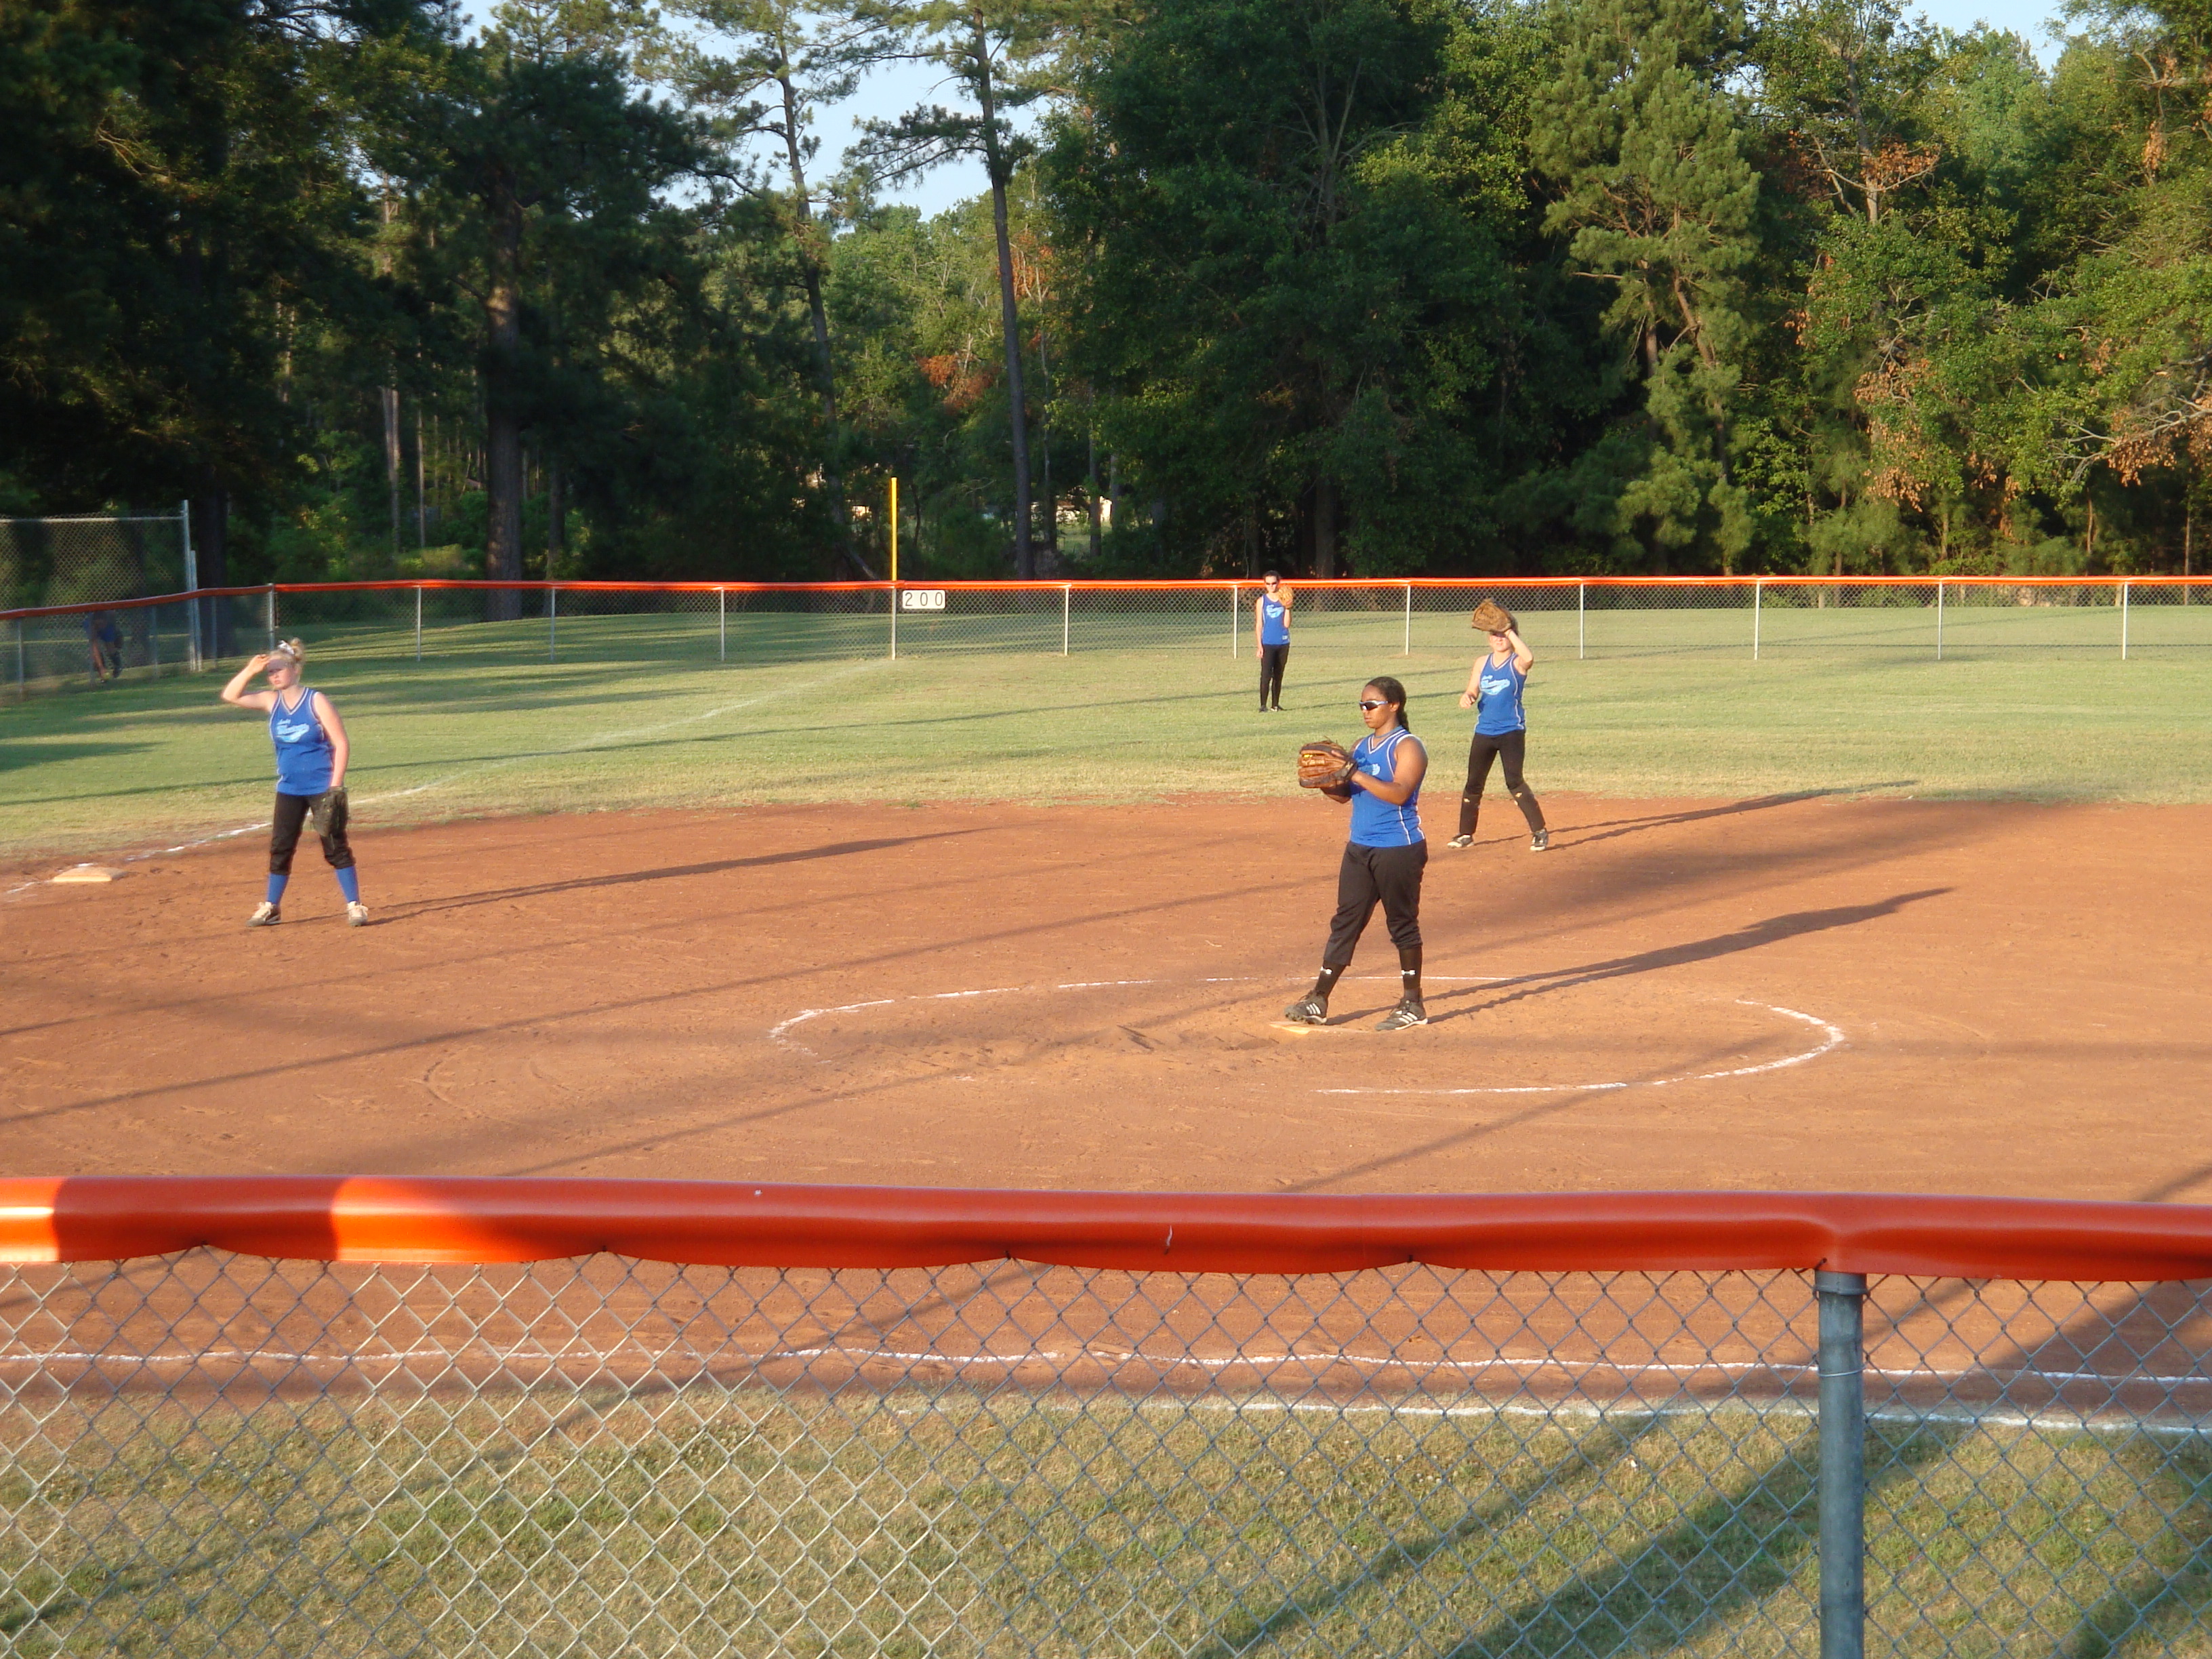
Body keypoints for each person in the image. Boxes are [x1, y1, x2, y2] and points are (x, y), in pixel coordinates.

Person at [1282, 676, 1429, 1031]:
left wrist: (1355, 772)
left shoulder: (1408, 746)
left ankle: (1413, 1003)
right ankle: (1319, 998)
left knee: (1402, 925)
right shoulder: (1360, 745)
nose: (1365, 711)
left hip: (1398, 848)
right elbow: (1346, 794)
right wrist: (1326, 783)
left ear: (1393, 706)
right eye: (1362, 705)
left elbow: (1398, 793)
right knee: (1346, 921)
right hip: (1360, 848)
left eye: (1371, 705)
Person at [219, 638, 369, 927]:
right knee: (281, 847)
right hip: (289, 788)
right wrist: (250, 670)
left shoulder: (316, 700)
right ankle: (272, 907)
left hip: (321, 786)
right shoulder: (270, 701)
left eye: (279, 670)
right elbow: (231, 694)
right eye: (270, 672)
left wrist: (335, 786)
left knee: (335, 846)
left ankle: (355, 905)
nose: (273, 675)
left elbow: (341, 742)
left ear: (295, 669)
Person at [1450, 604, 1549, 853]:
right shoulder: (1482, 662)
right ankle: (1465, 834)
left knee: (1514, 781)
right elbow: (1473, 688)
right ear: (1488, 638)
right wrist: (1468, 696)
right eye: (1494, 634)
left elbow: (1529, 658)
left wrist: (1510, 629)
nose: (1498, 639)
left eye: (1502, 634)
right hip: (1484, 731)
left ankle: (1539, 831)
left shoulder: (1517, 663)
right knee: (1474, 783)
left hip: (1511, 731)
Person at [1253, 571, 1292, 711]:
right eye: (1268, 583)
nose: (1271, 586)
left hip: (1283, 642)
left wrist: (1288, 608)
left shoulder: (1284, 598)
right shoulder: (1262, 601)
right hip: (1268, 642)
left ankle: (1275, 704)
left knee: (1278, 674)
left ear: (1279, 582)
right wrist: (1259, 645)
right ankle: (1263, 705)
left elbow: (1287, 625)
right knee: (1266, 674)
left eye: (1274, 583)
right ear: (1265, 584)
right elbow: (1259, 624)